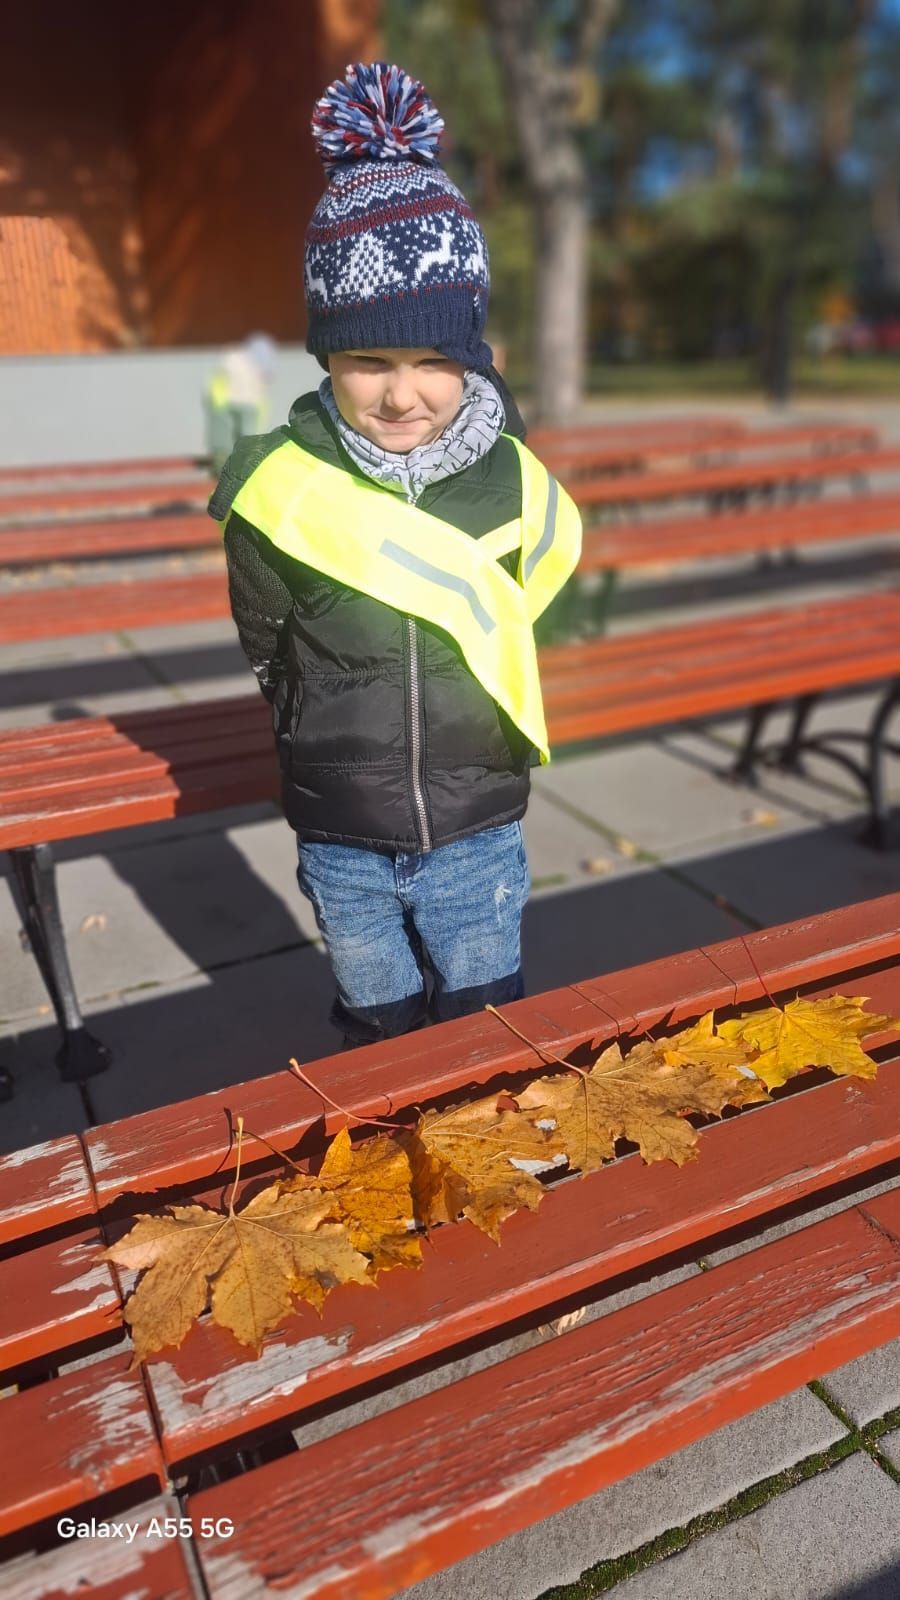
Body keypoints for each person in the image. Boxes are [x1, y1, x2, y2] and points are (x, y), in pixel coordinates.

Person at [209, 61, 581, 1049]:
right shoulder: (281, 489)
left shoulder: (513, 480)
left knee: (486, 1023)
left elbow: (531, 612)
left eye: (433, 361)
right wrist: (308, 728)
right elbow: (266, 639)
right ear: (327, 357)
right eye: (369, 360)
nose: (402, 393)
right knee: (376, 1025)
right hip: (343, 831)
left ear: (474, 358)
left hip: (479, 825)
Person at [205, 334, 277, 474]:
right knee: (244, 438)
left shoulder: (231, 357)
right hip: (244, 403)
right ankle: (240, 470)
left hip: (229, 402)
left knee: (225, 438)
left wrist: (217, 402)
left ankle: (224, 469)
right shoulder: (252, 358)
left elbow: (216, 380)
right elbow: (263, 383)